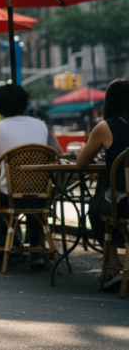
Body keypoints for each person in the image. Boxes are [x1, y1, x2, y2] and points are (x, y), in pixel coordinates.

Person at [0, 83, 62, 271]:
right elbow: (56, 153)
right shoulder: (40, 125)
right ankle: (36, 253)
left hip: (9, 195)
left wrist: (1, 158)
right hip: (41, 192)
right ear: (25, 104)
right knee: (32, 196)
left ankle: (1, 244)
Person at [76, 79, 129, 290]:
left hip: (124, 201)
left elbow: (81, 163)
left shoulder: (106, 127)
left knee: (95, 208)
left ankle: (114, 267)